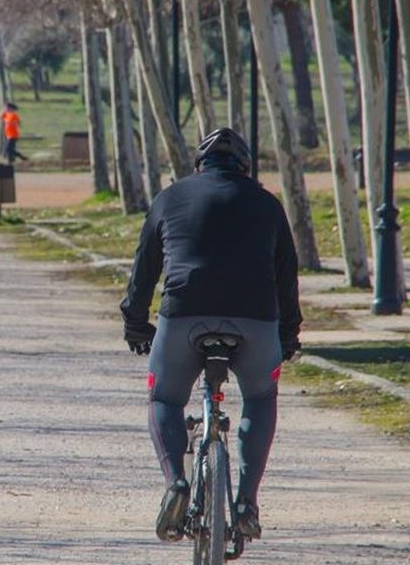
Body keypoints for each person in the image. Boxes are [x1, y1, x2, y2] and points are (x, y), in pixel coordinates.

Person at [119, 127, 302, 543]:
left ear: (199, 165)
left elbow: (144, 270)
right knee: (260, 397)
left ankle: (176, 483)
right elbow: (286, 277)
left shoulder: (170, 198)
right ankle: (246, 502)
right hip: (255, 320)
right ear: (245, 167)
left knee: (165, 399)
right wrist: (288, 335)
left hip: (185, 314)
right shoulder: (268, 204)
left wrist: (136, 324)